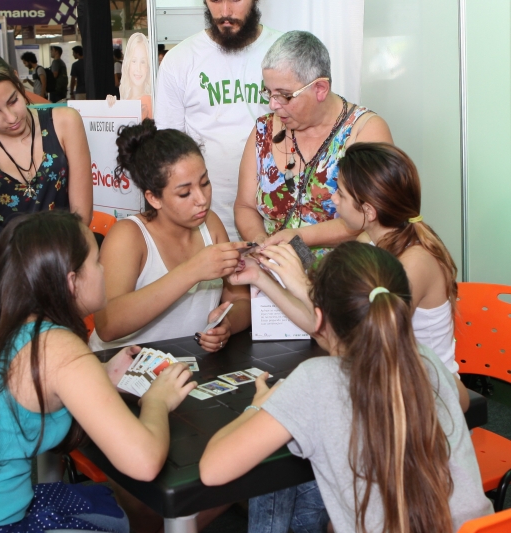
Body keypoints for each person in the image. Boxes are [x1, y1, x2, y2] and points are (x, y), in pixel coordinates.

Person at [0, 210, 196, 533]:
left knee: (109, 507)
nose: (104, 270)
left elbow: (22, 387)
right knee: (119, 513)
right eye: (97, 262)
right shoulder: (57, 347)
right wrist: (158, 400)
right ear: (71, 281)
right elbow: (144, 462)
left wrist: (99, 376)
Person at [200, 242, 493, 532]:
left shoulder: (314, 380)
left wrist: (260, 405)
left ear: (318, 318)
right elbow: (462, 400)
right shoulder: (423, 359)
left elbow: (212, 470)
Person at [236, 143, 471, 411]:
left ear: (369, 211)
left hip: (429, 394)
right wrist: (260, 278)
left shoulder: (415, 262)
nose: (333, 199)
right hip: (384, 380)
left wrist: (302, 284)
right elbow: (323, 326)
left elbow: (358, 341)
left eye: (341, 194)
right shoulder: (367, 241)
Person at [0, 41, 92, 319]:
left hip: (59, 272)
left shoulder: (65, 122)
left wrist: (56, 279)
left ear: (18, 80)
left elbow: (81, 215)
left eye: (13, 100)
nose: (11, 117)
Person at [90, 119, 251, 354]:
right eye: (185, 193)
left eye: (205, 183)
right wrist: (192, 270)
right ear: (154, 198)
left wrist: (226, 325)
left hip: (185, 364)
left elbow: (241, 301)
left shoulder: (211, 225)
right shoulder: (129, 236)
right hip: (118, 365)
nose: (202, 199)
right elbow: (107, 325)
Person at [234, 31, 393, 254]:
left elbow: (372, 217)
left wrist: (297, 238)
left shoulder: (365, 132)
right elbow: (244, 206)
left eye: (284, 95)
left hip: (342, 279)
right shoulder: (264, 130)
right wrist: (261, 242)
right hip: (272, 276)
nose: (273, 105)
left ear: (320, 89)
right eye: (269, 92)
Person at [155, 0, 282, 241]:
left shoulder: (285, 51)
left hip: (279, 221)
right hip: (204, 225)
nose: (225, 12)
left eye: (235, 0)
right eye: (215, 0)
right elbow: (168, 153)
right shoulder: (179, 61)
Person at [119, 33, 153, 119]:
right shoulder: (124, 99)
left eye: (143, 62)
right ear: (128, 64)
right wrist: (110, 106)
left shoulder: (148, 102)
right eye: (134, 61)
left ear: (148, 67)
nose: (138, 68)